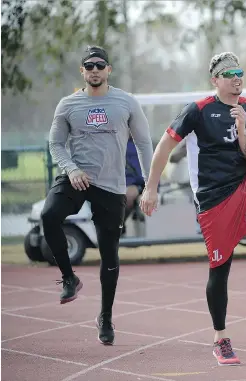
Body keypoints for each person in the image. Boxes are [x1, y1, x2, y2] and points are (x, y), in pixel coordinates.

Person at [139, 52, 246, 366]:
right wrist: (150, 188)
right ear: (215, 80)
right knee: (220, 270)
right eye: (229, 73)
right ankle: (220, 338)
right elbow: (164, 147)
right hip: (214, 200)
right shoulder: (198, 110)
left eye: (240, 72)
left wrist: (244, 130)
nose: (237, 78)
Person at [41, 46, 154, 345]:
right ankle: (69, 278)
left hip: (111, 185)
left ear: (108, 70)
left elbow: (144, 144)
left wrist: (149, 184)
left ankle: (105, 316)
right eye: (88, 66)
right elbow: (56, 144)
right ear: (82, 71)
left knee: (109, 254)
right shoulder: (67, 104)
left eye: (99, 65)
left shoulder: (126, 102)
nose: (94, 70)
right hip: (76, 177)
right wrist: (71, 169)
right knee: (48, 216)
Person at [123, 135, 147, 234]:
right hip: (120, 183)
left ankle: (117, 228)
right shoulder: (115, 143)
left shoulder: (143, 145)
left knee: (128, 195)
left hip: (140, 184)